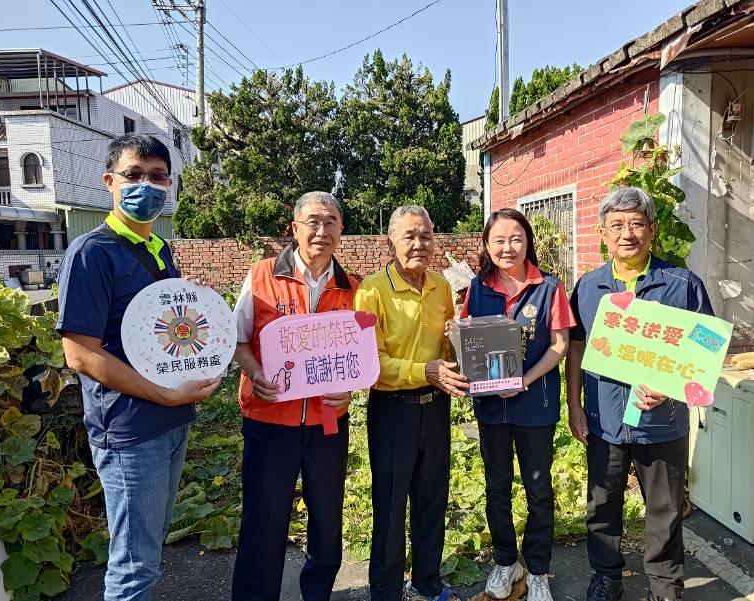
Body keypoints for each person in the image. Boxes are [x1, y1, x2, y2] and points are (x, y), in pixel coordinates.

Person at [57, 133, 221, 601]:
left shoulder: (160, 250)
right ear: (109, 181)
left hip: (170, 420)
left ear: (169, 184)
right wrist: (165, 393)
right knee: (133, 568)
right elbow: (81, 353)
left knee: (147, 552)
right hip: (130, 431)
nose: (145, 186)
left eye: (156, 176)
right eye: (133, 175)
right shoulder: (92, 253)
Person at [566, 187, 714, 601]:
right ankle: (606, 577)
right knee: (602, 504)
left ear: (651, 229)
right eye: (617, 225)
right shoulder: (590, 286)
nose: (627, 234)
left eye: (636, 224)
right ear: (603, 233)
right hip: (605, 418)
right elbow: (575, 347)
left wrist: (672, 388)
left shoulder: (681, 284)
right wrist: (574, 403)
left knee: (665, 511)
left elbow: (705, 347)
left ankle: (665, 587)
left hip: (661, 422)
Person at [230, 191, 359, 601]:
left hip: (327, 425)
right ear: (295, 228)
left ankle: (317, 594)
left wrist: (349, 389)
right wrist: (254, 370)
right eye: (313, 222)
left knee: (327, 520)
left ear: (341, 230)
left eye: (331, 223)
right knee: (264, 521)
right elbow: (236, 340)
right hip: (269, 422)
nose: (322, 231)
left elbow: (358, 357)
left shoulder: (351, 286)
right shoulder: (262, 276)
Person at [354, 205, 470, 601]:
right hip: (393, 410)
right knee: (390, 505)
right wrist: (428, 371)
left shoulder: (441, 286)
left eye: (426, 235)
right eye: (409, 236)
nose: (419, 244)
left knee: (433, 498)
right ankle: (386, 590)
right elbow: (370, 363)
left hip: (436, 407)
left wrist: (461, 351)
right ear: (391, 242)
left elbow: (450, 344)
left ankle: (426, 581)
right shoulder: (371, 291)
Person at [459, 208, 575, 601]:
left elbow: (559, 345)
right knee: (497, 486)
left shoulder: (549, 287)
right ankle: (507, 560)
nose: (507, 247)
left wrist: (523, 380)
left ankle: (538, 568)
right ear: (487, 246)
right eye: (499, 240)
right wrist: (456, 336)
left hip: (534, 404)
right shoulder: (478, 288)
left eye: (516, 239)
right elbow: (466, 340)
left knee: (538, 488)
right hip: (492, 406)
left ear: (527, 242)